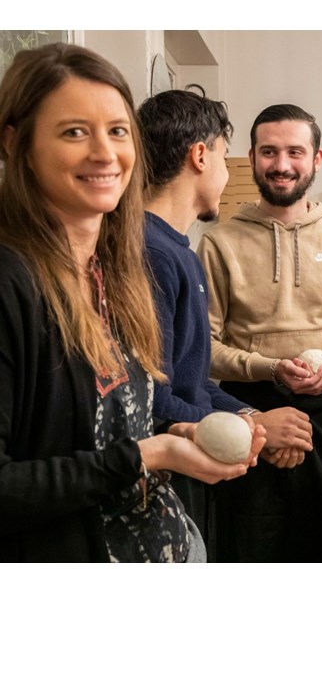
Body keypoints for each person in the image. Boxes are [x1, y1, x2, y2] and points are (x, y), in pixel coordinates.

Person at [0, 43, 265, 563]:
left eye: (117, 131)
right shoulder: (13, 283)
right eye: (74, 131)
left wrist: (174, 431)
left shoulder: (116, 274)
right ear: (16, 143)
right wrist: (147, 454)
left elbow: (114, 423)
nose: (105, 153)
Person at [197, 103, 322, 562]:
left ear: (317, 159)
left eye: (295, 152)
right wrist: (272, 370)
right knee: (250, 550)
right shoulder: (220, 241)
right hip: (247, 413)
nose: (282, 165)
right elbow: (204, 349)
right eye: (269, 152)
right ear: (252, 155)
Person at [137, 90, 314, 553]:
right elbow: (153, 400)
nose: (225, 172)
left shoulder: (181, 252)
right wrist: (255, 429)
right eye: (223, 155)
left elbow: (193, 381)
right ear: (200, 155)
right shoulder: (151, 254)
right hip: (164, 474)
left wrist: (252, 420)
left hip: (197, 460)